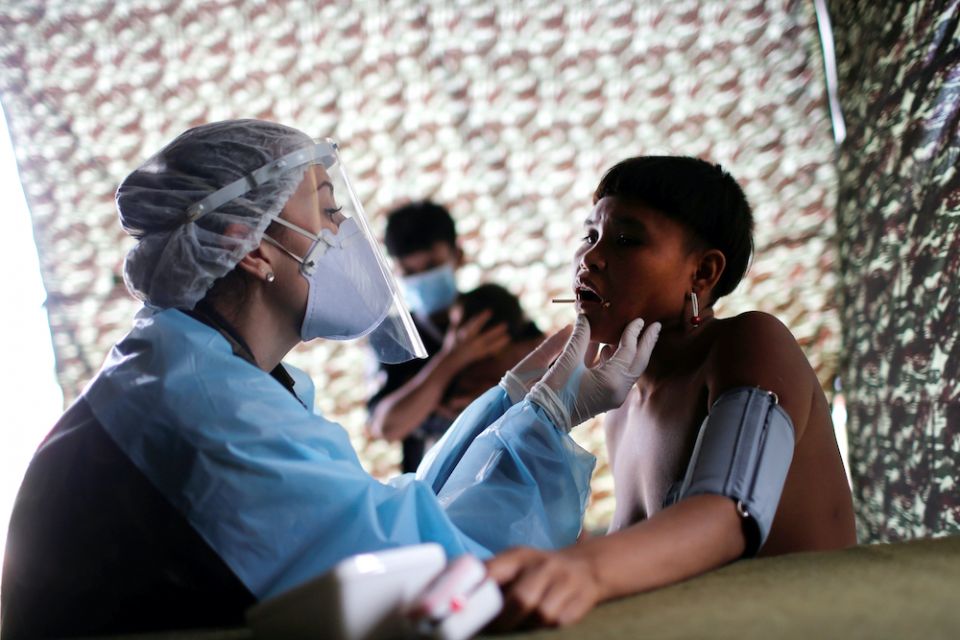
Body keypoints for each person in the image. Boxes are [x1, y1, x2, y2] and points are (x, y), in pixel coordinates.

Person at [0, 119, 659, 638]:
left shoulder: (206, 369)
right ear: (252, 245)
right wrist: (544, 421)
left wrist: (524, 402)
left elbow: (391, 514)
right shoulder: (206, 410)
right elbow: (435, 576)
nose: (343, 227)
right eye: (323, 205)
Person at [484, 156, 857, 630]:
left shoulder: (751, 343)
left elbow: (725, 516)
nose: (591, 259)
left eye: (625, 240)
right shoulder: (620, 404)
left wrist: (585, 568)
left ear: (702, 273)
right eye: (589, 237)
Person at [368, 202, 510, 472]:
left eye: (432, 266)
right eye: (409, 272)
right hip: (430, 492)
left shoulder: (490, 309)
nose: (421, 279)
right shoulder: (393, 337)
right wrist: (453, 358)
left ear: (458, 255)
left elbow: (548, 371)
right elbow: (386, 426)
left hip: (501, 475)